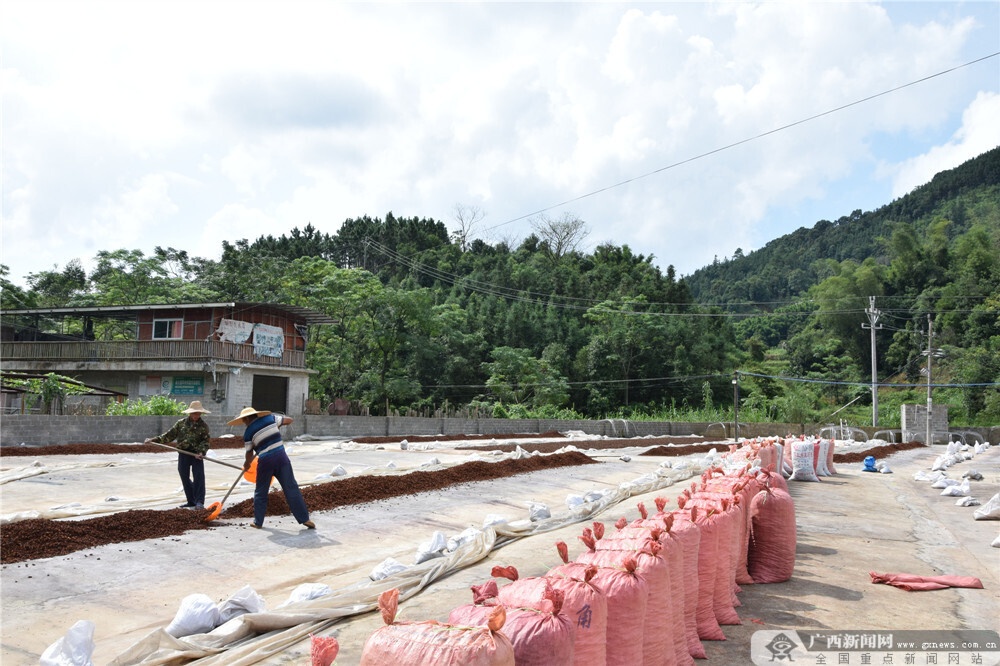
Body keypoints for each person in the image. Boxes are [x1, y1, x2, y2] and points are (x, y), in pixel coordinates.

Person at [227, 406, 315, 530]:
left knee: (261, 491)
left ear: (247, 418)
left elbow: (249, 453)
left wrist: (247, 464)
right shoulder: (270, 418)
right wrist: (277, 426)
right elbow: (289, 420)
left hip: (266, 462)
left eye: (244, 421)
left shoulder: (248, 433)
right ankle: (305, 518)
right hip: (282, 458)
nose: (244, 423)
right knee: (291, 488)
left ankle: (258, 522)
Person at [145, 400, 212, 509]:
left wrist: (201, 452)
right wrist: (154, 440)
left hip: (196, 455)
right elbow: (169, 435)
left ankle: (199, 502)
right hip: (183, 453)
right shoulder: (181, 424)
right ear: (190, 413)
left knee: (199, 477)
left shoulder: (204, 426)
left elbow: (205, 442)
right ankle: (191, 500)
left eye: (198, 414)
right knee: (184, 476)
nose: (196, 416)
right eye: (194, 413)